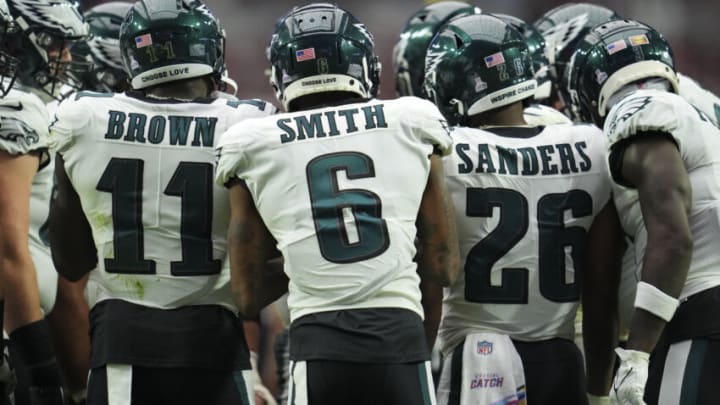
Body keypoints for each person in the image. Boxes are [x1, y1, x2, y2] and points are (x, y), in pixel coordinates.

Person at [215, 3, 460, 404]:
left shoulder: (253, 140)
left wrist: (307, 264)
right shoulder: (411, 120)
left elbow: (246, 294)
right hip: (399, 338)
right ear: (362, 64)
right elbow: (443, 264)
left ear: (282, 75)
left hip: (319, 347)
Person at [47, 0, 275, 404]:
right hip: (217, 341)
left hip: (124, 345)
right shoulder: (247, 126)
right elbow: (263, 258)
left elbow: (71, 261)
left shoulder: (83, 120)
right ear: (210, 50)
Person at [423, 13, 622, 405]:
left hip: (478, 363)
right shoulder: (592, 145)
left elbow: (429, 270)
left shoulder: (444, 151)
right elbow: (602, 289)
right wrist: (598, 392)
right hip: (561, 360)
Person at [565, 18, 720, 405]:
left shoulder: (636, 106)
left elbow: (674, 235)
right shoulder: (701, 119)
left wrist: (636, 353)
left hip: (703, 313)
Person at [0, 0, 87, 404]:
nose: (66, 57)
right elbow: (7, 249)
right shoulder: (16, 108)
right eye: (54, 44)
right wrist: (36, 363)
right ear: (14, 42)